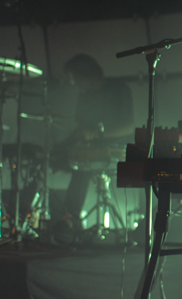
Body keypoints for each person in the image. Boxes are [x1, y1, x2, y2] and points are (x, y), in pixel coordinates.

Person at [54, 54, 134, 242]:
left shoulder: (119, 89)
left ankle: (70, 220)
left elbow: (129, 126)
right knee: (77, 164)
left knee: (80, 169)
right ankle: (69, 223)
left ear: (87, 76)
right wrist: (62, 145)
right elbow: (81, 129)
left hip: (119, 148)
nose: (74, 84)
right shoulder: (85, 96)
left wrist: (97, 135)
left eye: (75, 79)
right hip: (91, 150)